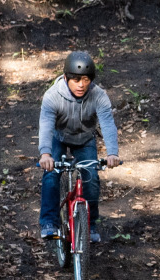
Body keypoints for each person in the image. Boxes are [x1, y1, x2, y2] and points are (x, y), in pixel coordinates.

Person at [38, 50, 122, 242]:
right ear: (66, 78)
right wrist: (45, 154)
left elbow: (108, 123)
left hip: (85, 138)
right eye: (76, 80)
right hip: (58, 137)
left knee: (91, 178)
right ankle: (49, 222)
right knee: (51, 174)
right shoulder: (52, 96)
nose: (81, 85)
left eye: (85, 79)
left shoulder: (98, 95)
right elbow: (46, 125)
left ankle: (90, 225)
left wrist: (112, 153)